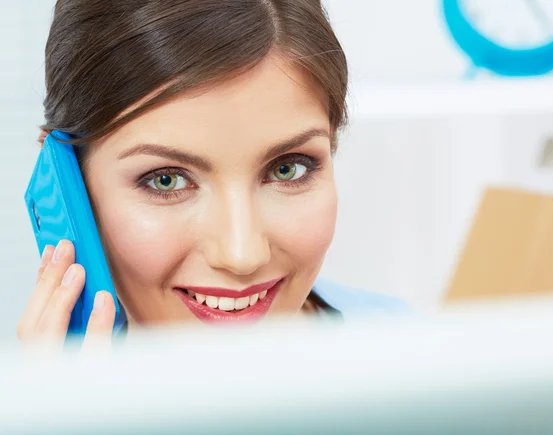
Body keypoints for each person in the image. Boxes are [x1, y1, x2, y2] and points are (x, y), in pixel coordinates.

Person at [17, 0, 407, 348]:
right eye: (165, 179)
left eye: (288, 169)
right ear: (65, 183)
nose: (242, 255)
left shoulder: (413, 354)